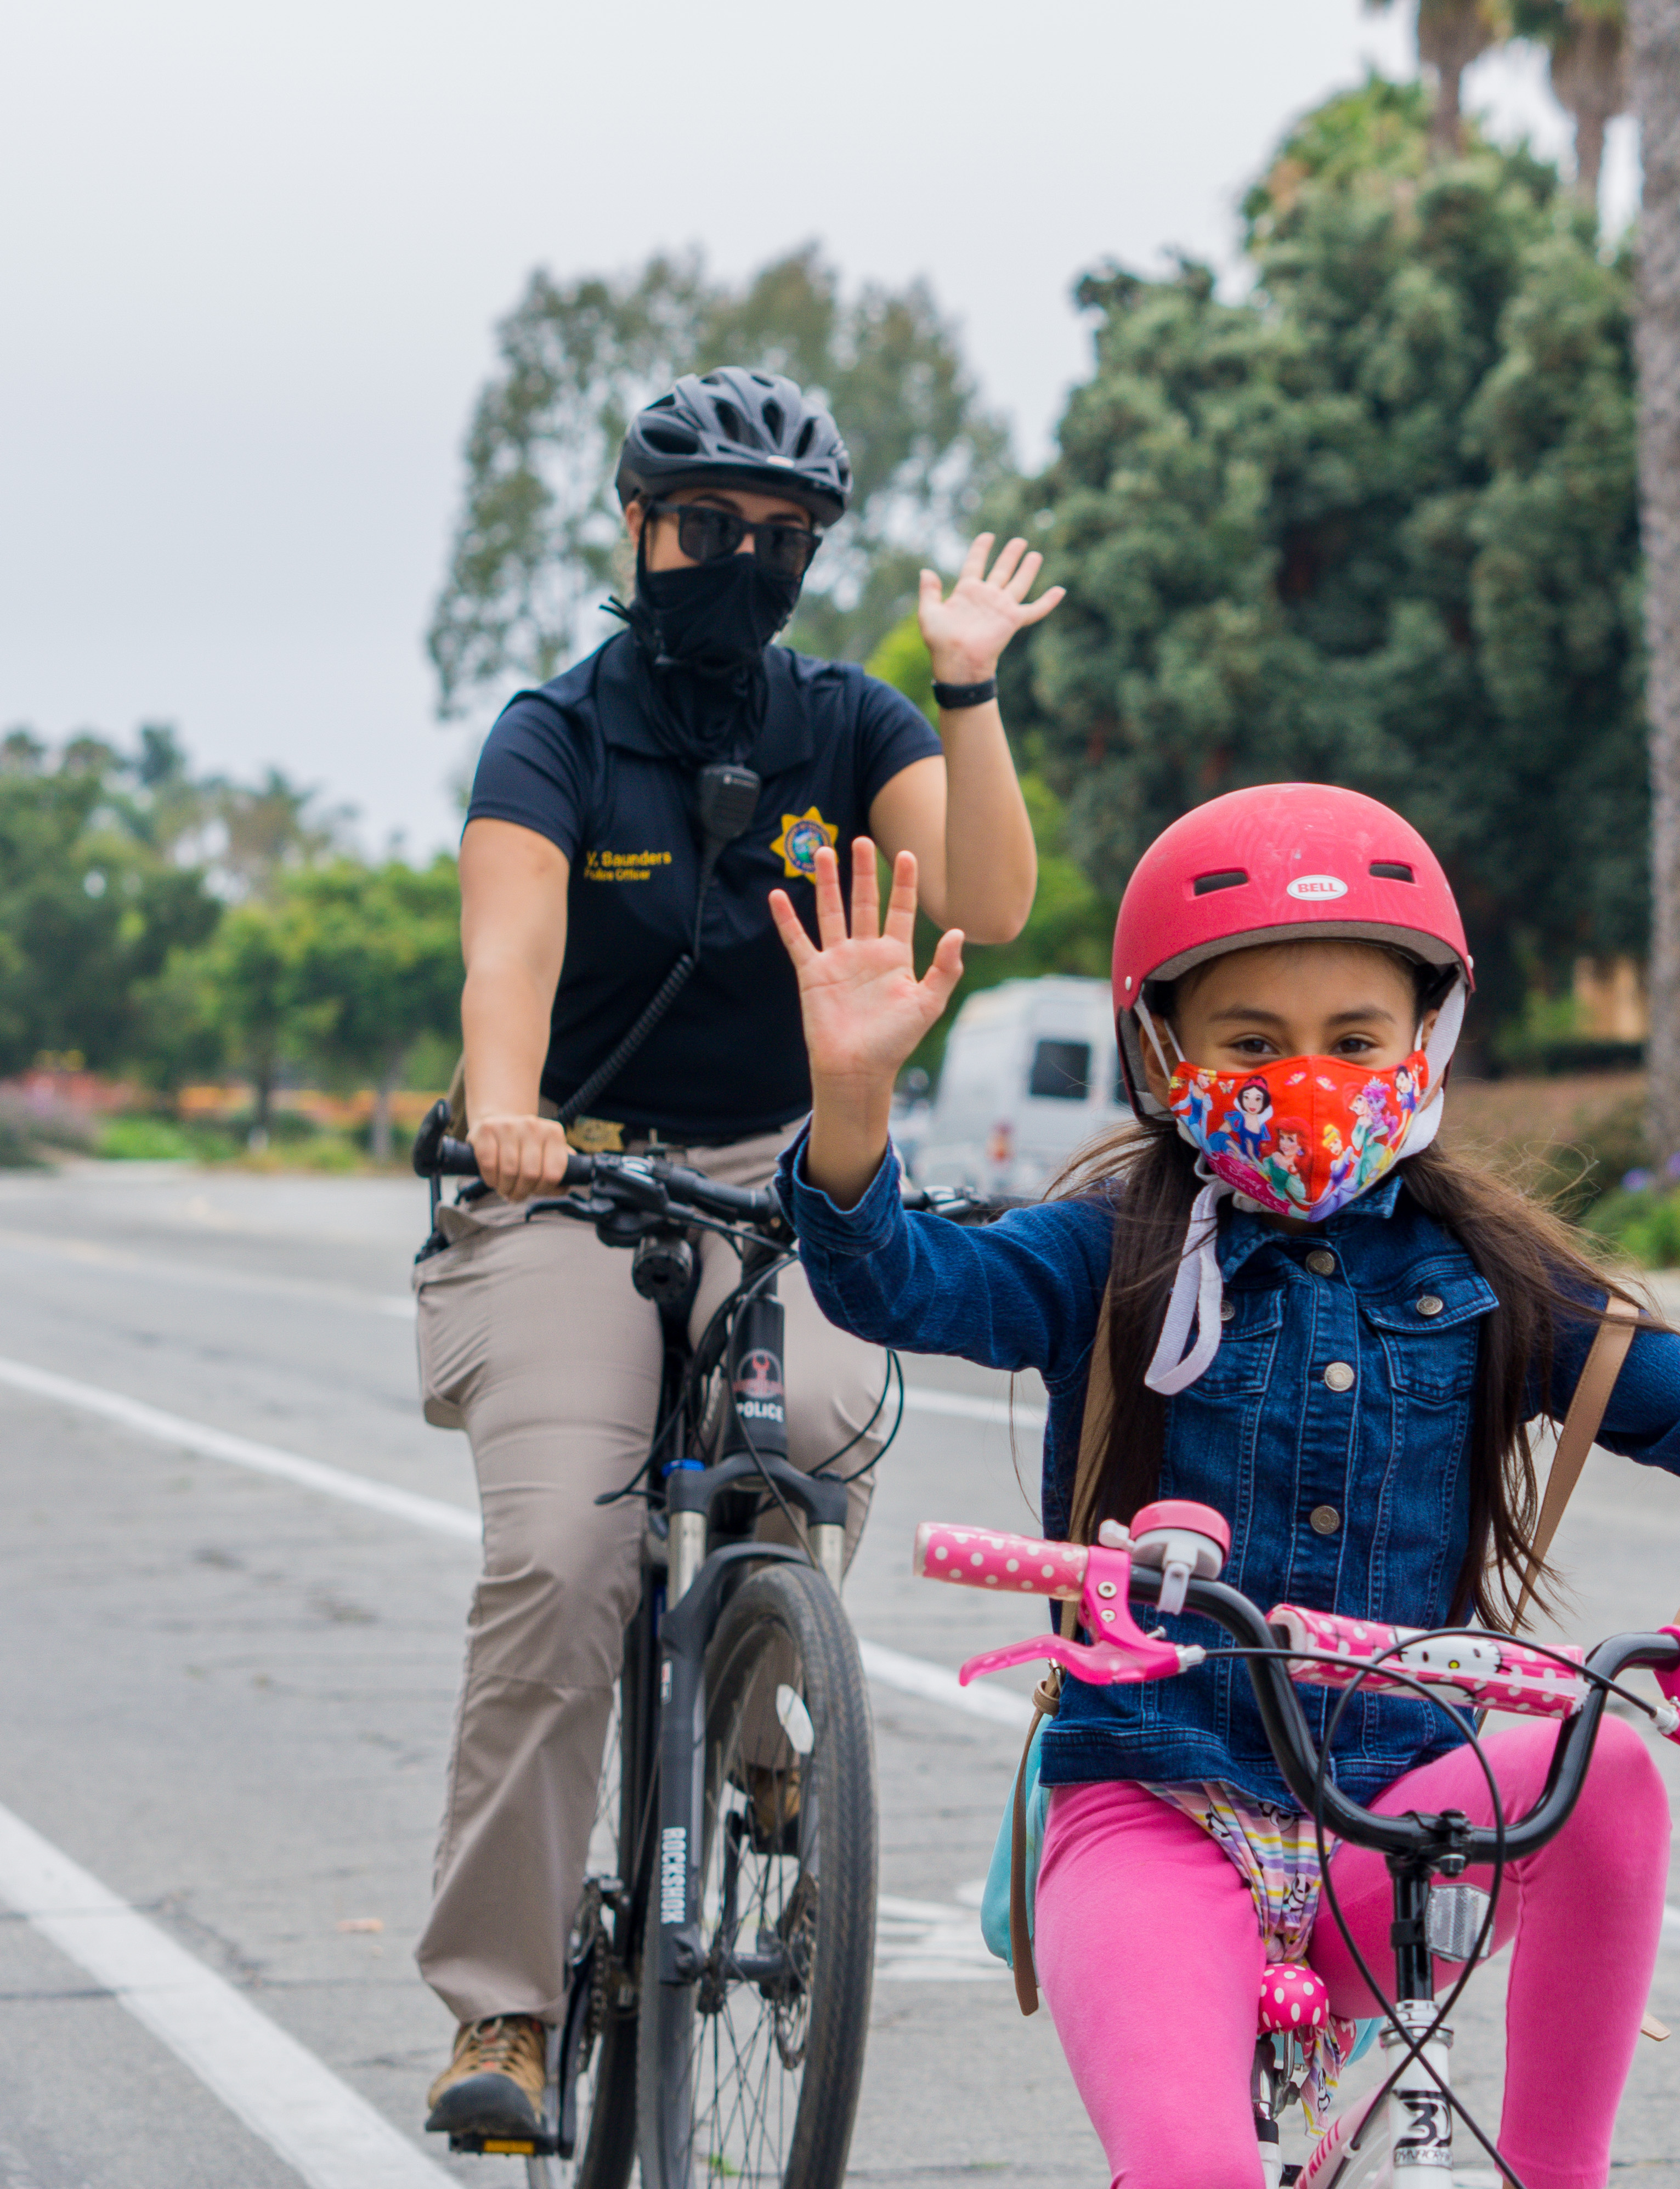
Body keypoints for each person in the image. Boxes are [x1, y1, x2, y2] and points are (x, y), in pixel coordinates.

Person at [766, 783, 1680, 2189]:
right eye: (1253, 1044)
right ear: (1166, 1047)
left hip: (1401, 1828)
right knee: (1195, 2172)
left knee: (1606, 1757)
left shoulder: (1496, 1279)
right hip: (1150, 1808)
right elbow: (897, 1279)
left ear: (1426, 1043)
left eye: (1354, 1042)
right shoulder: (1105, 1248)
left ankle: (1555, 2175)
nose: (1309, 1082)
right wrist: (851, 1101)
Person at [411, 365, 1061, 2141]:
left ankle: (770, 1724)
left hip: (781, 1171)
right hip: (566, 1179)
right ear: (637, 525)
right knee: (562, 1557)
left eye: (782, 541)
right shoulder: (554, 730)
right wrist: (508, 1105)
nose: (744, 562)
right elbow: (507, 953)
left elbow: (991, 904)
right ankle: (507, 2014)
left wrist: (970, 688)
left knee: (807, 1439)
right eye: (711, 529)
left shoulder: (851, 726)